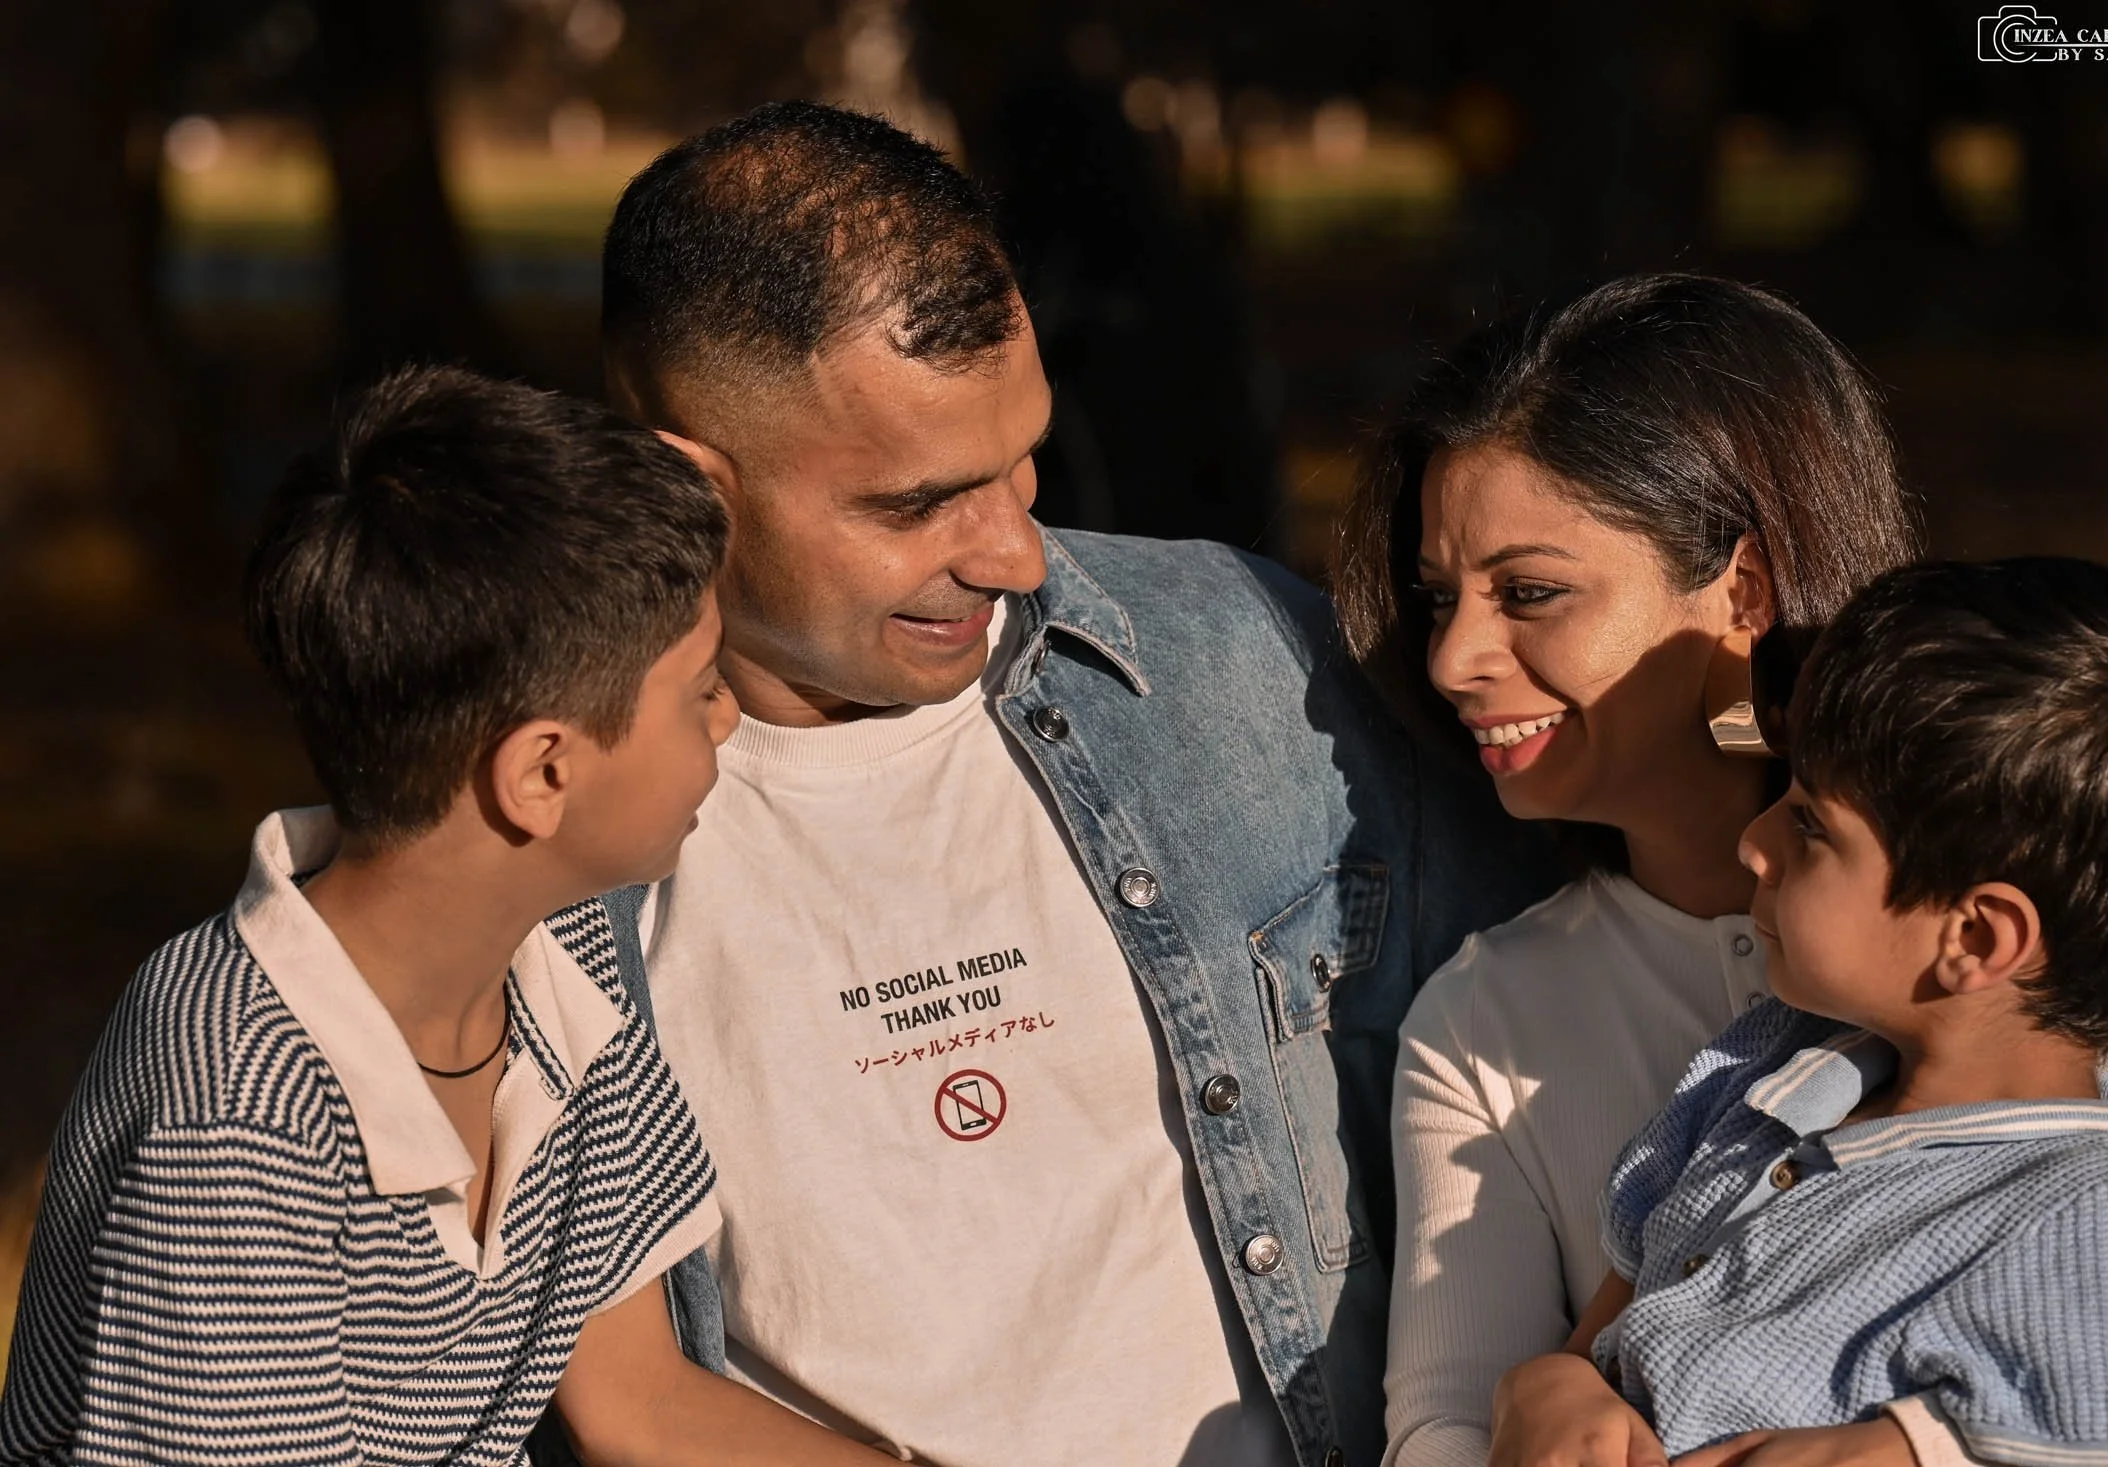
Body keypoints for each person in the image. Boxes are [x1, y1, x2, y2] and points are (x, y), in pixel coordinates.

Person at [597, 101, 1545, 1467]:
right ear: (689, 482)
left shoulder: (1245, 661)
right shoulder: (548, 832)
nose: (1016, 555)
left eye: (1022, 461)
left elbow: (1565, 1091)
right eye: (919, 502)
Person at [1335, 275, 2108, 1467]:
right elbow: (1441, 1420)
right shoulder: (1485, 1017)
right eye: (1439, 599)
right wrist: (1534, 1392)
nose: (1452, 658)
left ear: (1742, 590)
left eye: (1529, 592)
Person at [0, 368, 885, 1465]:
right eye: (698, 684)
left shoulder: (561, 979)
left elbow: (643, 1402)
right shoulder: (235, 1122)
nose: (730, 708)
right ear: (541, 774)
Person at [1498, 557, 2108, 1467]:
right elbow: (1604, 1336)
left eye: (1811, 825)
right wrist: (1551, 1386)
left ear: (1979, 937)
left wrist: (1909, 1449)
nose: (1754, 844)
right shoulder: (1764, 1079)